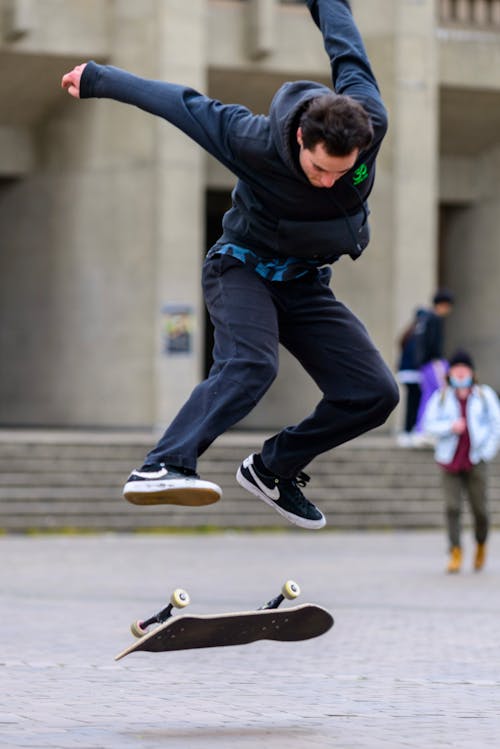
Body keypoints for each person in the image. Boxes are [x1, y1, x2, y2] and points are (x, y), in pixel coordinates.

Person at [61, 0, 399, 530]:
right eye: (317, 169)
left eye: (340, 173)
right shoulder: (252, 139)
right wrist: (99, 78)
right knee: (252, 363)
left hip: (305, 282)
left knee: (374, 393)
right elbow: (181, 103)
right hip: (241, 267)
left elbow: (347, 48)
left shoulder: (369, 120)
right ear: (300, 140)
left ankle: (273, 469)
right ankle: (162, 465)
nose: (327, 181)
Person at [423, 350, 500, 573]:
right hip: (450, 459)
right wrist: (450, 427)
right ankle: (455, 550)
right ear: (450, 373)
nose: (460, 373)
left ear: (471, 372)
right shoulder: (442, 397)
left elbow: (496, 425)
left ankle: (481, 543)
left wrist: (487, 451)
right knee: (452, 507)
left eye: (464, 369)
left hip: (476, 459)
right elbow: (428, 426)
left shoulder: (484, 396)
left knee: (480, 510)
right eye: (456, 369)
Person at [413, 288, 455, 435]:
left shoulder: (424, 318)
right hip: (433, 363)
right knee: (439, 394)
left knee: (428, 395)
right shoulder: (434, 318)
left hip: (425, 364)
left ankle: (421, 428)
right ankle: (427, 429)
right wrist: (436, 360)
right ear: (443, 304)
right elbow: (431, 343)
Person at [396, 307, 426, 445]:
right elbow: (417, 356)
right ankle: (409, 431)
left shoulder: (409, 332)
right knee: (414, 402)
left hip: (405, 373)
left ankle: (409, 430)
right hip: (414, 374)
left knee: (412, 401)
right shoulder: (419, 332)